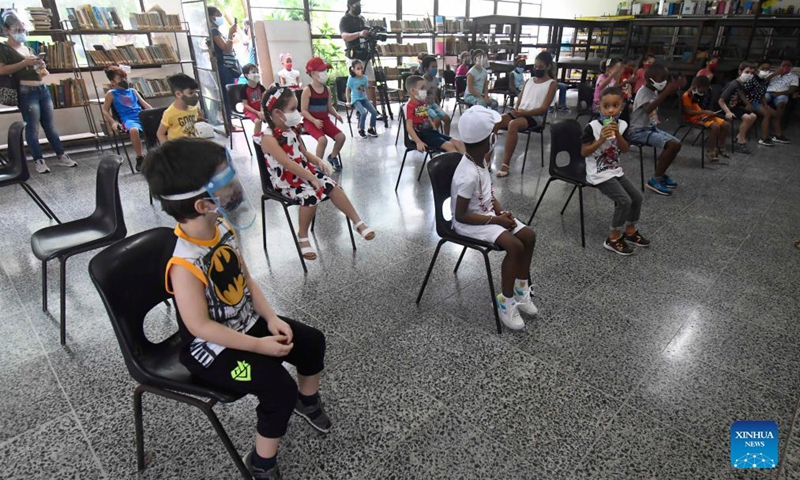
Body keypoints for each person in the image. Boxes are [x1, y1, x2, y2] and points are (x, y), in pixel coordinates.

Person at [141, 138, 331, 480]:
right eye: (224, 182)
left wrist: (271, 317)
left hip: (247, 324)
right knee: (277, 388)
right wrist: (259, 346)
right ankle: (261, 463)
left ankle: (308, 400)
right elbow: (200, 328)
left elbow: (246, 281)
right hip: (212, 354)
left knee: (312, 341)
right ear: (203, 204)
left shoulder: (221, 229)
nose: (233, 186)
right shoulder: (184, 264)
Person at [260, 84, 375, 259]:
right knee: (310, 195)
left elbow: (303, 152)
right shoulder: (268, 138)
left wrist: (318, 161)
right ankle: (303, 235)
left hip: (304, 172)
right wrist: (311, 177)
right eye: (292, 109)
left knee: (333, 186)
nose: (297, 112)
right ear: (277, 113)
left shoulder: (291, 130)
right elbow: (287, 163)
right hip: (286, 180)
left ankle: (357, 221)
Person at [451, 106, 538, 330]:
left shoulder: (481, 161)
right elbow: (461, 215)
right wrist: (496, 221)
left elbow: (488, 194)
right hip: (468, 223)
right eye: (495, 134)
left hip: (488, 216)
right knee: (515, 246)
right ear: (489, 139)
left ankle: (521, 288)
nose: (496, 137)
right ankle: (505, 301)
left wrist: (500, 212)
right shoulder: (467, 174)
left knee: (528, 235)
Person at [0, 10, 76, 174]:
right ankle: (39, 160)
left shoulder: (27, 47)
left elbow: (33, 67)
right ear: (6, 30)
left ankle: (61, 155)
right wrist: (24, 62)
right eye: (17, 30)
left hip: (42, 89)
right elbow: (3, 70)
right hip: (26, 92)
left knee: (49, 125)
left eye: (23, 30)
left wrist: (40, 66)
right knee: (32, 127)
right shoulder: (4, 48)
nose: (21, 33)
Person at [581, 86, 650, 256]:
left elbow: (625, 149)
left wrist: (617, 134)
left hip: (614, 170)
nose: (611, 110)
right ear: (599, 107)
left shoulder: (623, 125)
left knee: (637, 197)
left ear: (622, 106)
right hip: (598, 173)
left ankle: (630, 231)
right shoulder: (592, 127)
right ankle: (613, 238)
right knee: (624, 200)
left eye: (615, 105)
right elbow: (584, 152)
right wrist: (602, 139)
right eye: (606, 106)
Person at [492, 51, 557, 177]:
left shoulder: (551, 84)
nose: (537, 69)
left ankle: (505, 164)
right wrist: (516, 110)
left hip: (534, 116)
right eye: (536, 67)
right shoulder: (529, 81)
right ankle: (487, 161)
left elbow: (543, 108)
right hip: (521, 113)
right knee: (495, 122)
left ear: (548, 67)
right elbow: (520, 100)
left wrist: (524, 112)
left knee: (513, 125)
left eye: (540, 67)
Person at [628, 63, 684, 196]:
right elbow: (648, 109)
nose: (664, 81)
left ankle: (661, 173)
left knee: (677, 144)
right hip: (637, 132)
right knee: (671, 145)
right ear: (650, 79)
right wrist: (666, 92)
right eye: (662, 78)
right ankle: (655, 180)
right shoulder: (643, 92)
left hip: (649, 128)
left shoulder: (653, 91)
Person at [101, 65, 152, 171]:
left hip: (141, 115)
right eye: (120, 79)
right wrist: (113, 122)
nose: (124, 81)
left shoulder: (133, 91)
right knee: (134, 130)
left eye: (125, 78)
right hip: (128, 119)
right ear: (113, 82)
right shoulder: (111, 94)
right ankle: (140, 158)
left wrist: (155, 113)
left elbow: (145, 105)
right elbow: (105, 110)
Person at [301, 57, 345, 170]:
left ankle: (333, 156)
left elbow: (329, 107)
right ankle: (318, 165)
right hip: (311, 121)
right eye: (322, 71)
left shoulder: (327, 89)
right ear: (312, 73)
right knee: (322, 140)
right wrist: (314, 120)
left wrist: (336, 114)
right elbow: (304, 110)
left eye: (325, 70)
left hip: (325, 120)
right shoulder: (308, 90)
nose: (325, 73)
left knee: (341, 137)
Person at [405, 75, 464, 155]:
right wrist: (418, 142)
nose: (425, 90)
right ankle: (456, 165)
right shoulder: (410, 106)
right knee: (450, 146)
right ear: (412, 91)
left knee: (458, 143)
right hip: (423, 136)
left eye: (425, 88)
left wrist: (433, 125)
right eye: (422, 88)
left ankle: (469, 164)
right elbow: (409, 127)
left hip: (432, 133)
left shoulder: (422, 103)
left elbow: (426, 117)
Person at [682, 75, 731, 166]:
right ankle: (710, 150)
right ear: (696, 87)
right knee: (715, 126)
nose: (704, 92)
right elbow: (688, 112)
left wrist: (708, 113)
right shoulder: (686, 96)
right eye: (703, 90)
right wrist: (705, 112)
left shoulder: (695, 95)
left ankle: (720, 146)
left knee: (726, 124)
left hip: (702, 115)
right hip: (694, 118)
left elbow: (697, 108)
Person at [208, 7, 242, 132]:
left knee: (225, 95)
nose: (221, 17)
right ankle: (229, 124)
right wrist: (230, 34)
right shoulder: (214, 32)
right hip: (224, 68)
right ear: (212, 17)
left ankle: (227, 122)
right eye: (218, 15)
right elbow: (226, 48)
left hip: (225, 68)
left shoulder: (215, 31)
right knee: (227, 96)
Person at [339, 0, 378, 107]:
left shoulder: (362, 19)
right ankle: (357, 107)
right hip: (354, 55)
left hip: (365, 54)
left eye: (360, 5)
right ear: (350, 6)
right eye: (357, 5)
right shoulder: (345, 20)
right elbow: (345, 36)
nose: (359, 7)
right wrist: (359, 34)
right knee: (356, 83)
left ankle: (374, 108)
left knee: (371, 81)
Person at [158, 73, 203, 143]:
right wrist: (169, 149)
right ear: (178, 94)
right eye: (191, 93)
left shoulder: (194, 109)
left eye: (196, 92)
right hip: (178, 148)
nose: (195, 95)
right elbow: (160, 134)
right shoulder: (169, 113)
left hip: (194, 144)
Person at [345, 59, 378, 138]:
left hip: (364, 99)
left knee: (374, 112)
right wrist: (348, 101)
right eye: (358, 68)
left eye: (361, 68)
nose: (360, 70)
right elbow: (348, 89)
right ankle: (361, 129)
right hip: (356, 99)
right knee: (363, 113)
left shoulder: (365, 78)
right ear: (353, 69)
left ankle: (371, 128)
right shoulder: (351, 79)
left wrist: (369, 99)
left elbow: (366, 89)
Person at [765, 59, 797, 141]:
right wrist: (775, 73)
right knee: (763, 98)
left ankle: (777, 131)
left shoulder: (793, 76)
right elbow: (762, 81)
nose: (785, 67)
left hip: (782, 94)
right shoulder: (774, 74)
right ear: (780, 66)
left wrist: (778, 93)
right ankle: (767, 114)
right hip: (769, 92)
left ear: (791, 68)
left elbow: (792, 90)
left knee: (781, 102)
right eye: (783, 65)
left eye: (788, 66)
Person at [420, 55, 451, 135]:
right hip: (423, 106)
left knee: (447, 119)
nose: (435, 69)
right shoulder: (421, 81)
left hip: (433, 104)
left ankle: (446, 138)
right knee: (436, 120)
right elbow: (421, 98)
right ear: (426, 69)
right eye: (433, 67)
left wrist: (438, 104)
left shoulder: (435, 80)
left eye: (436, 66)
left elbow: (435, 94)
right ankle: (434, 139)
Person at [240, 63, 266, 142]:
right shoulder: (244, 89)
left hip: (260, 109)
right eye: (253, 72)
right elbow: (245, 105)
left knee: (272, 118)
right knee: (258, 121)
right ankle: (256, 140)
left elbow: (263, 101)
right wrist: (257, 112)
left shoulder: (261, 87)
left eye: (257, 72)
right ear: (247, 75)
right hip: (250, 110)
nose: (256, 74)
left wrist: (261, 111)